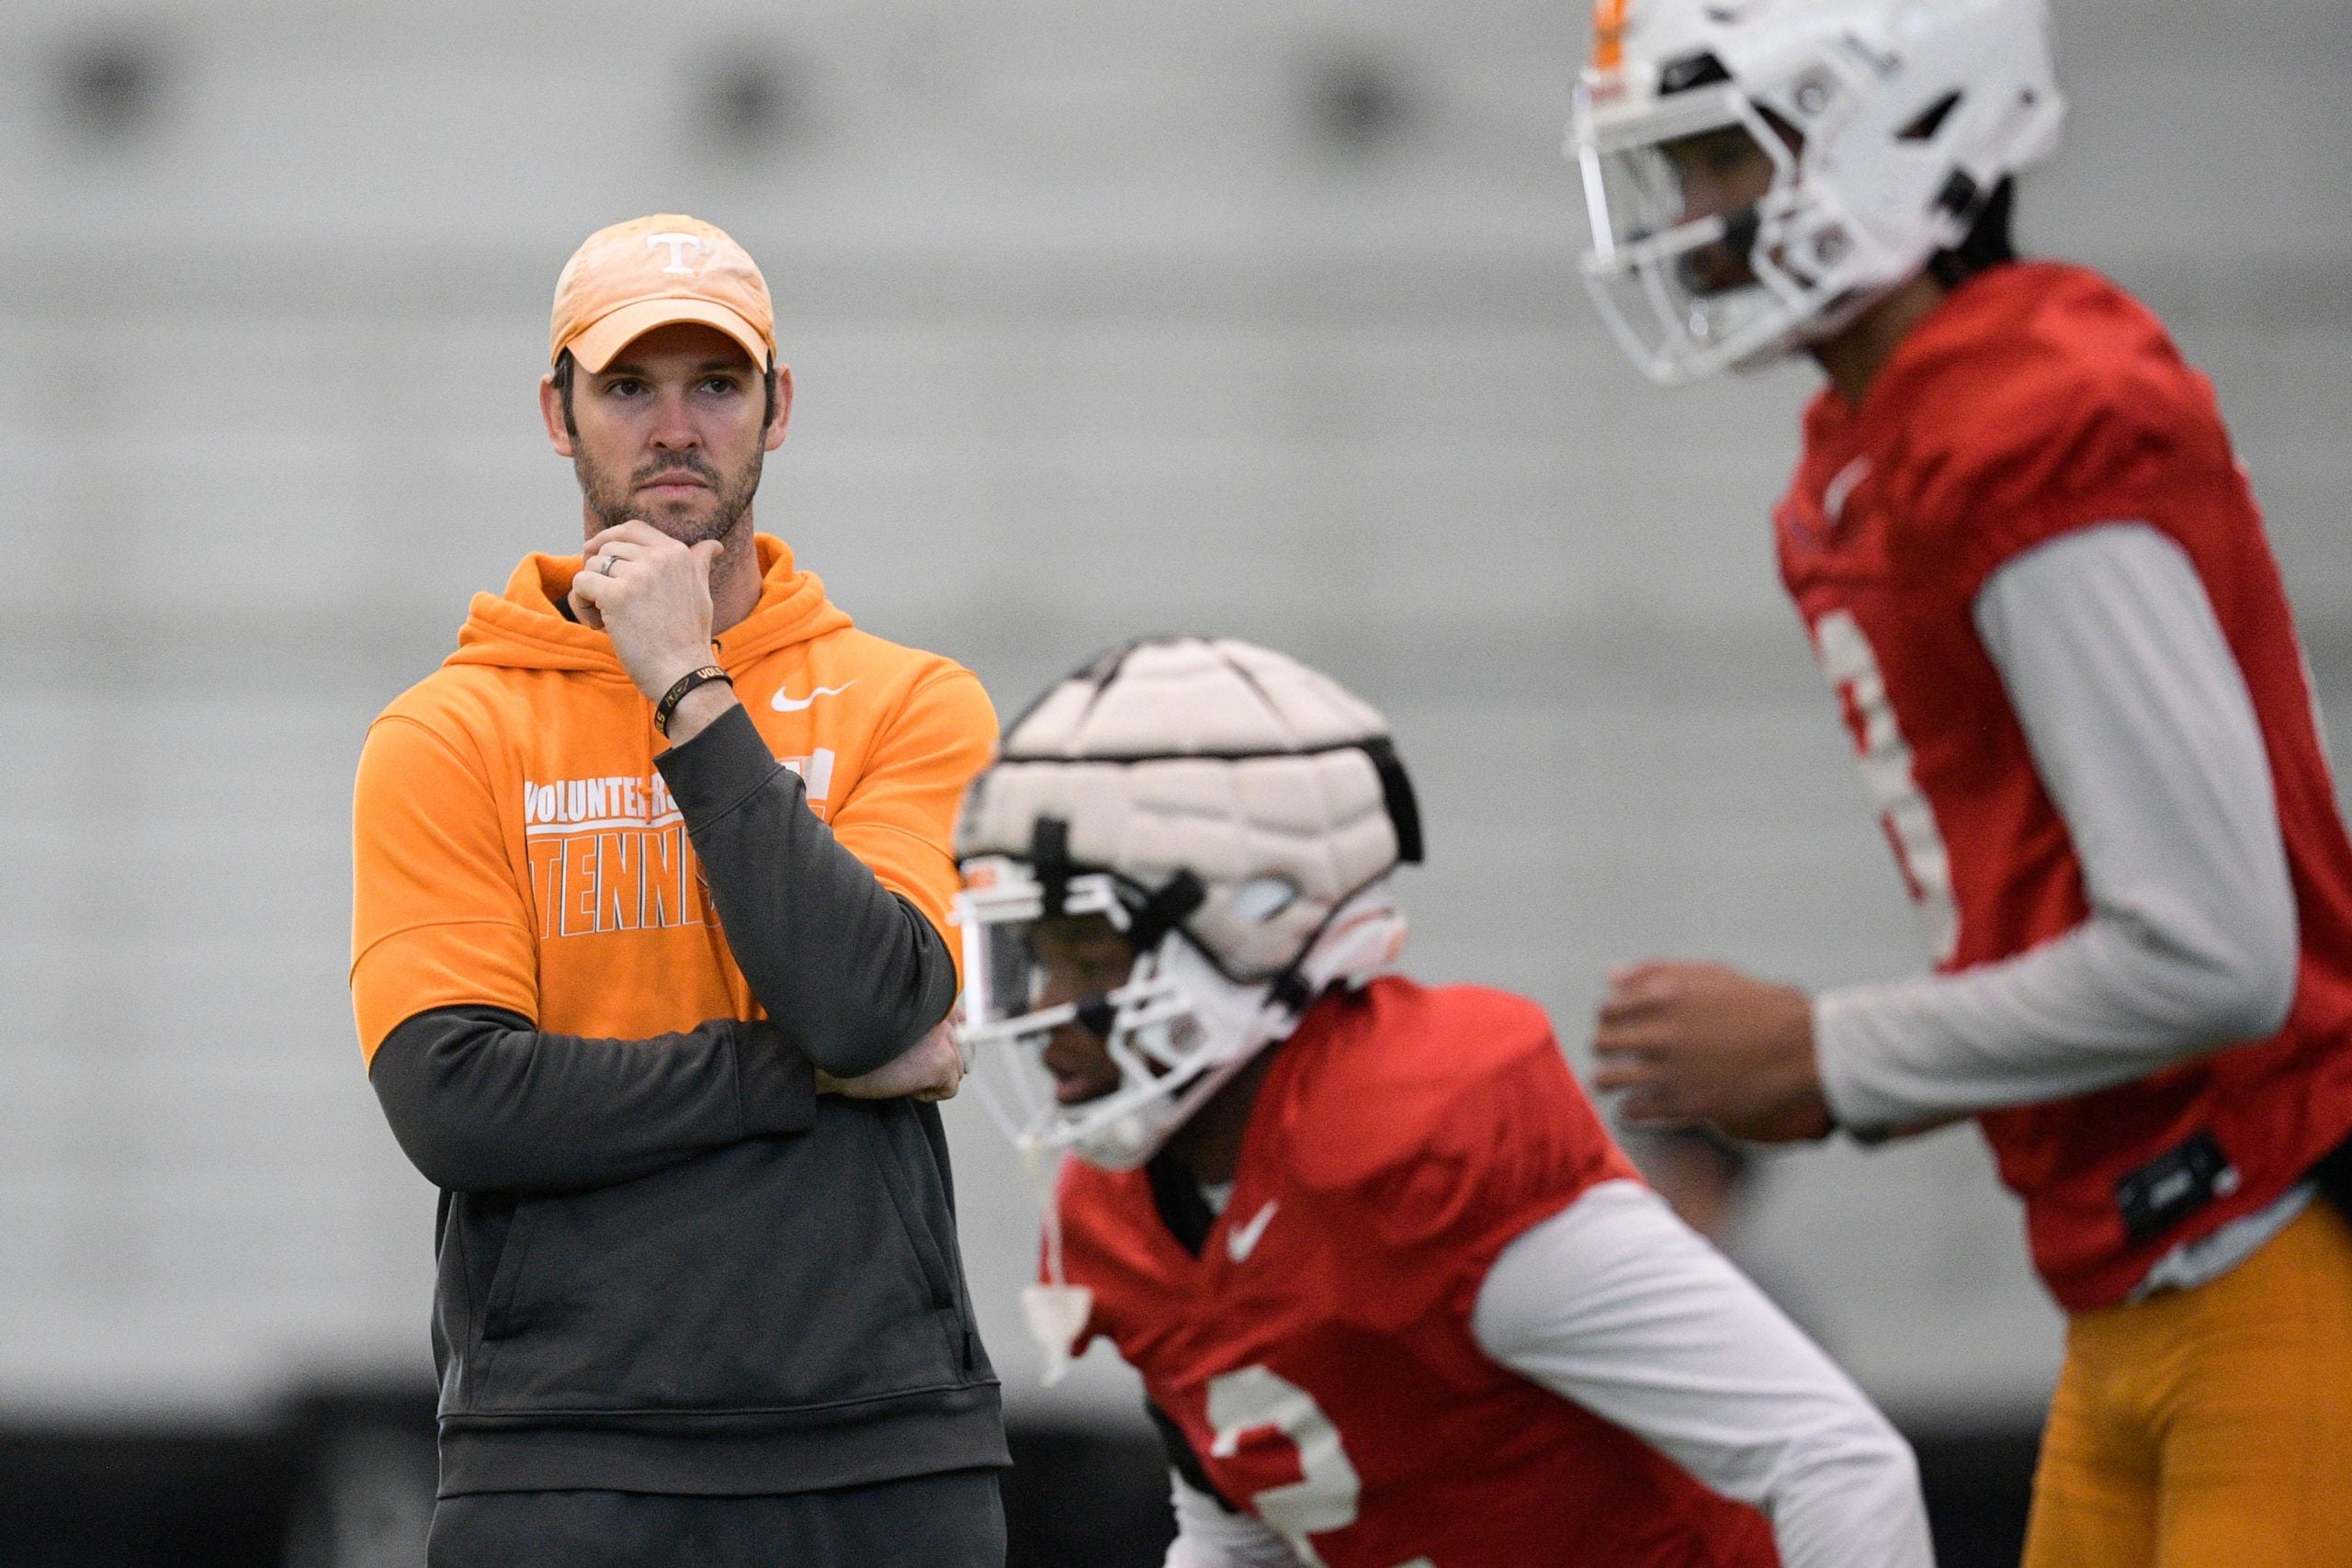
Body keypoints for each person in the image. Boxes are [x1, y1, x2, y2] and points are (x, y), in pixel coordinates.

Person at [1569, 3, 2352, 1562]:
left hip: (2273, 1237)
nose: (1694, 216)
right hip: (2134, 1273)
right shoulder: (1875, 439)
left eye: (1728, 155)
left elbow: (2217, 951)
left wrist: (1827, 1053)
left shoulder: (2022, 413)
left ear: (1901, 125)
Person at [954, 637, 1932, 1568]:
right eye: (1036, 958)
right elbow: (1243, 1539)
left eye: (1087, 957)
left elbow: (1835, 1462)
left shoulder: (1420, 1142)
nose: (1045, 1012)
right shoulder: (1116, 1211)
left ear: (1249, 928)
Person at [350, 213, 1008, 1566]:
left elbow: (866, 1000)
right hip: (565, 1452)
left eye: (716, 384)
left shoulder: (914, 702)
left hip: (882, 1446)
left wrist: (688, 687)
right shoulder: (448, 729)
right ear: (557, 411)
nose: (674, 426)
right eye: (628, 386)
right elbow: (457, 1100)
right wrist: (798, 1078)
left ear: (779, 406)